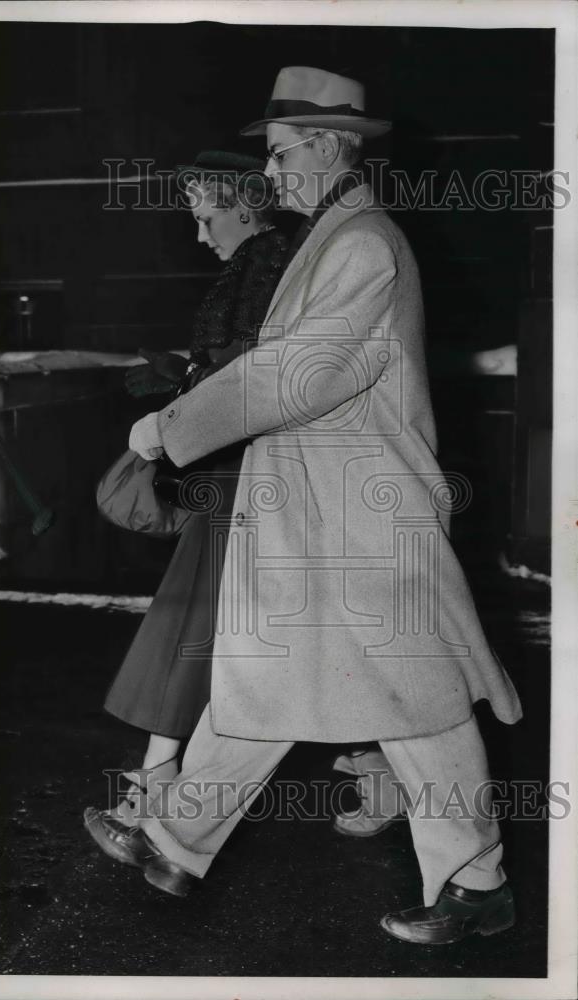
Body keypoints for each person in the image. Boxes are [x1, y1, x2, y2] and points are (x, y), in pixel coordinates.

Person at [117, 67, 523, 945]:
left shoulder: (361, 245)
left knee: (418, 700)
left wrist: (170, 426)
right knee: (265, 678)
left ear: (325, 146)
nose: (270, 173)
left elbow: (301, 374)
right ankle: (177, 842)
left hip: (362, 513)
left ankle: (476, 880)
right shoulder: (328, 236)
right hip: (315, 509)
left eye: (277, 153)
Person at [83, 151, 290, 859]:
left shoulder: (266, 256)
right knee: (204, 626)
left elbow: (249, 367)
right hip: (242, 469)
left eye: (206, 218)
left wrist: (176, 415)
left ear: (244, 205)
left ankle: (159, 787)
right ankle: (159, 784)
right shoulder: (262, 259)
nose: (200, 236)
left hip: (245, 472)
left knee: (196, 623)